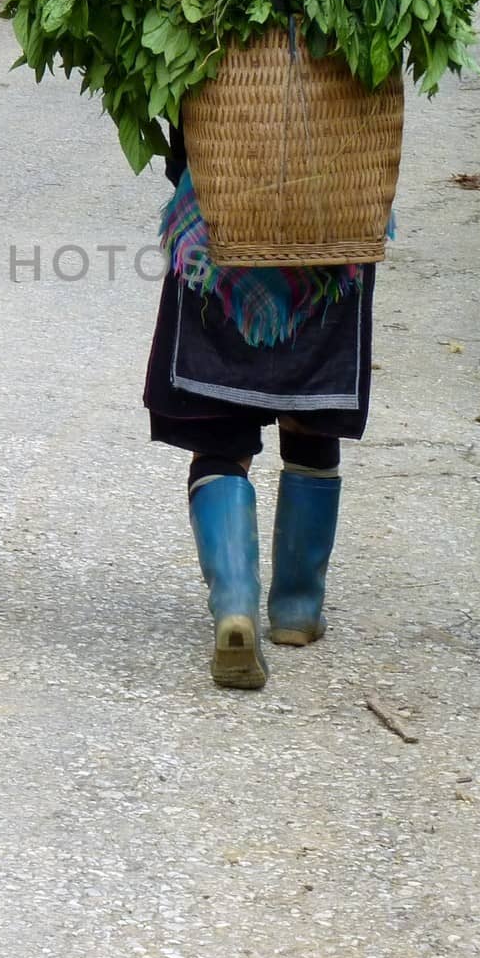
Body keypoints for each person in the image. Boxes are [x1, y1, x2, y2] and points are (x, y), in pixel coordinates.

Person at [144, 126, 375, 690]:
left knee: (220, 433)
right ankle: (297, 609)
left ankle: (235, 606)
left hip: (220, 215)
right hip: (332, 211)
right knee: (311, 409)